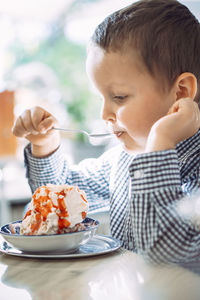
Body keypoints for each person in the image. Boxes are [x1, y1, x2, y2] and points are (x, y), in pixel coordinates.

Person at [12, 0, 200, 263]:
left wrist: (162, 142)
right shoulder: (121, 162)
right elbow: (60, 203)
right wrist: (45, 145)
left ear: (180, 93)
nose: (104, 115)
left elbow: (168, 255)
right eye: (101, 98)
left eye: (119, 97)